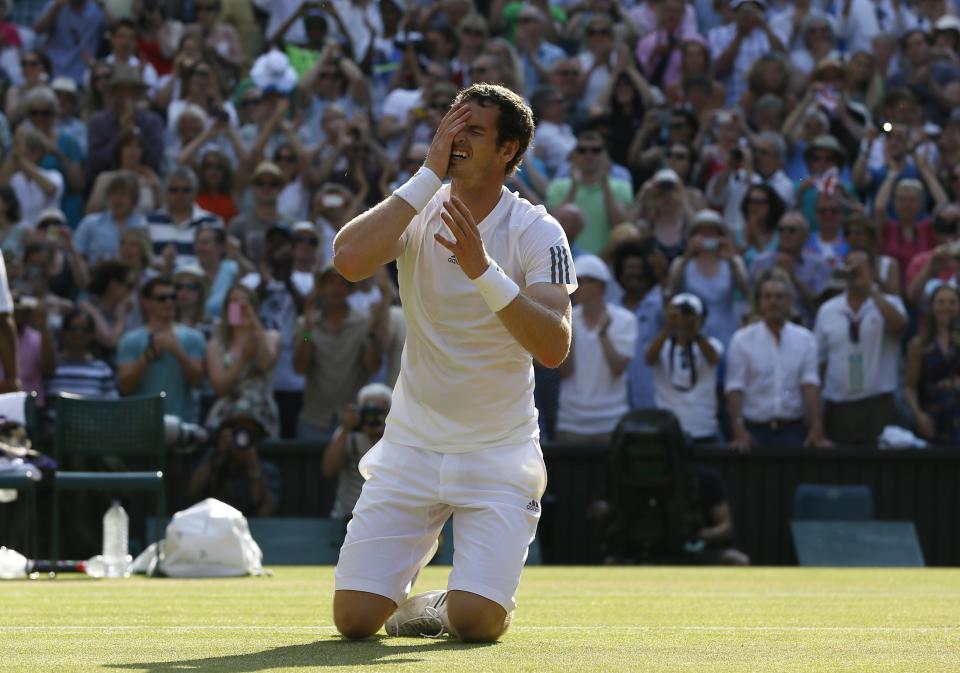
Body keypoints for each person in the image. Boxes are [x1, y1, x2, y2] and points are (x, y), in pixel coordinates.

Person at [330, 84, 576, 642]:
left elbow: (555, 345)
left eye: (474, 132)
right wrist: (424, 178)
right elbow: (346, 259)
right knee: (354, 621)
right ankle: (411, 593)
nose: (456, 140)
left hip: (499, 454)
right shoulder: (417, 208)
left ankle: (446, 603)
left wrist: (482, 270)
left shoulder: (539, 231)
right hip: (411, 446)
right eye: (451, 127)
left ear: (508, 151)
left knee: (476, 623)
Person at [725, 270, 830, 451]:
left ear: (789, 301)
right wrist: (738, 429)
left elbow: (810, 385)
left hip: (793, 430)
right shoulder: (742, 339)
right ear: (759, 302)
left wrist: (816, 427)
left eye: (779, 297)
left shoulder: (805, 339)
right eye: (767, 297)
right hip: (755, 430)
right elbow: (735, 388)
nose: (773, 302)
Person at [814, 248, 908, 446]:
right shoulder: (828, 310)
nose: (855, 272)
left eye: (861, 267)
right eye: (850, 266)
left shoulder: (890, 302)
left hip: (878, 404)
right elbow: (820, 361)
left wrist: (871, 289)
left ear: (873, 271)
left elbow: (899, 326)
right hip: (838, 405)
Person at [293, 263, 381, 438]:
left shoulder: (364, 324)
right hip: (314, 420)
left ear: (350, 288)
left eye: (342, 283)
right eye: (330, 283)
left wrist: (372, 332)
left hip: (354, 420)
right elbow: (300, 368)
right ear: (321, 288)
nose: (336, 288)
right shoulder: (306, 324)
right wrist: (308, 333)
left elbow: (373, 368)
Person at [556, 254, 636, 444]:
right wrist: (569, 333)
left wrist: (603, 334)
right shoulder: (565, 319)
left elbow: (618, 368)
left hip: (611, 421)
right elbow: (564, 372)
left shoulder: (625, 320)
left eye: (581, 282)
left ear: (599, 286)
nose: (574, 288)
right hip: (571, 421)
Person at [116, 277, 206, 423]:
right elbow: (125, 387)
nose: (169, 302)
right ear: (146, 302)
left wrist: (178, 351)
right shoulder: (130, 340)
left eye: (172, 297)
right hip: (141, 424)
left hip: (181, 423)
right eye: (161, 298)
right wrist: (146, 356)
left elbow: (198, 382)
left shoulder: (194, 338)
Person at [205, 284, 281, 438]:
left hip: (262, 412)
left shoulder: (272, 336)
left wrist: (253, 322)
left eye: (245, 301)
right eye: (234, 301)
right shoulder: (216, 345)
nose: (240, 306)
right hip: (226, 413)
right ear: (227, 309)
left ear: (254, 307)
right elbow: (219, 388)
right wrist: (243, 359)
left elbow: (265, 364)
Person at [646, 293, 723, 443]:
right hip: (668, 430)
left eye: (688, 315)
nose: (683, 320)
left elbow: (713, 358)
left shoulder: (712, 344)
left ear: (701, 320)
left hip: (703, 429)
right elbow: (649, 359)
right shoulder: (663, 346)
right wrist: (668, 327)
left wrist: (694, 331)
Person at [187, 405, 280, 517]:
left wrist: (253, 467)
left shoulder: (267, 470)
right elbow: (192, 492)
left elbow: (265, 512)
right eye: (239, 432)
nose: (243, 439)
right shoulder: (213, 458)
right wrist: (219, 456)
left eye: (250, 434)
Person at [322, 382, 392, 520]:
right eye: (369, 410)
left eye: (380, 411)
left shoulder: (399, 435)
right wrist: (346, 428)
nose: (374, 417)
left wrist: (387, 434)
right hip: (350, 515)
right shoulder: (349, 434)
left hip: (388, 516)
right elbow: (329, 470)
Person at [749, 211, 831, 326]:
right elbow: (753, 304)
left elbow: (821, 309)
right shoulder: (760, 263)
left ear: (805, 236)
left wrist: (794, 278)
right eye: (781, 229)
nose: (785, 234)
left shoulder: (818, 264)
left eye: (791, 230)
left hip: (806, 329)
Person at [905, 284, 960, 445]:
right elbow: (909, 388)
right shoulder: (919, 344)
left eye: (952, 302)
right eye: (941, 302)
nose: (946, 307)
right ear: (932, 307)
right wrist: (918, 415)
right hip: (932, 419)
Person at [46, 308, 118, 400]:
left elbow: (112, 405)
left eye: (84, 330)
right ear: (63, 332)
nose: (78, 334)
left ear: (92, 335)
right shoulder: (50, 366)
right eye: (73, 329)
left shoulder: (102, 369)